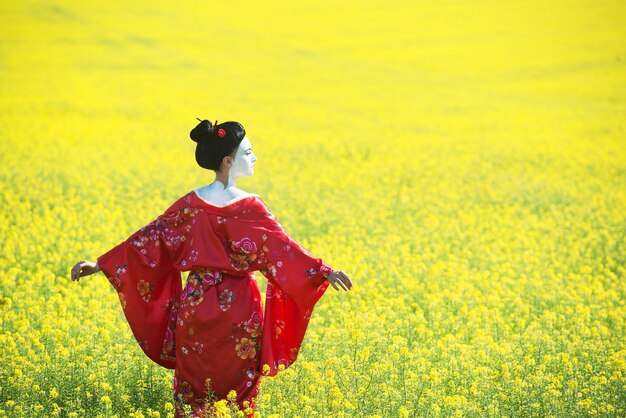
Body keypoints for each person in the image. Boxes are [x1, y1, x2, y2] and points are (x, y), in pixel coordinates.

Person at [70, 118, 353, 417]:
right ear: (228, 161)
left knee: (193, 390)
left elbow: (150, 240)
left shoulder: (191, 203)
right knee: (239, 392)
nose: (254, 157)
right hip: (241, 308)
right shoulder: (251, 207)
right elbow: (284, 250)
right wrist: (323, 272)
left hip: (195, 306)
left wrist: (101, 265)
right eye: (248, 152)